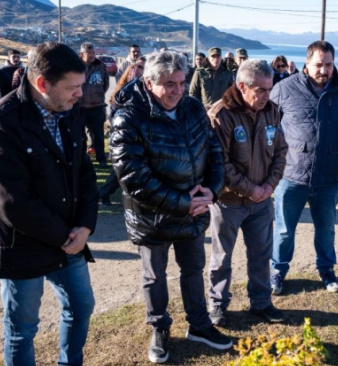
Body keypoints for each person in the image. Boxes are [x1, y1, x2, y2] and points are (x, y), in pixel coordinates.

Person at [0, 41, 98, 365]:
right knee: (22, 329)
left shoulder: (68, 111)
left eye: (81, 87)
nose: (79, 95)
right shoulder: (0, 123)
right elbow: (13, 202)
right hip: (23, 245)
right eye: (72, 88)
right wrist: (65, 238)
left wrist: (85, 225)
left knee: (81, 306)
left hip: (71, 236)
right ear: (42, 84)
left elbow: (84, 172)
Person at [110, 50, 232, 363]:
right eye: (169, 84)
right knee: (155, 276)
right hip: (153, 217)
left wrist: (212, 192)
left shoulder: (192, 106)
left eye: (181, 82)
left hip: (194, 210)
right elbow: (133, 177)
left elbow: (215, 151)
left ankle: (200, 325)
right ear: (149, 83)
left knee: (193, 269)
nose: (177, 90)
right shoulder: (129, 116)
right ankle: (160, 327)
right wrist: (183, 203)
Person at [269, 40, 338, 295]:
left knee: (326, 228)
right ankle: (277, 270)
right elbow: (270, 125)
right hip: (292, 175)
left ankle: (327, 269)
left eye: (328, 65)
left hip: (328, 176)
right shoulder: (284, 89)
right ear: (307, 64)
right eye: (318, 64)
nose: (324, 70)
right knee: (284, 229)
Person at [206, 59, 288, 327]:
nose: (267, 95)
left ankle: (261, 302)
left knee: (261, 254)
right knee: (221, 257)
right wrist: (250, 188)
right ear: (242, 86)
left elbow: (280, 151)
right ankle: (217, 305)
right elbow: (220, 163)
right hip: (228, 202)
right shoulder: (221, 115)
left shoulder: (272, 111)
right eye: (260, 90)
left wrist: (268, 186)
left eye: (269, 88)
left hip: (262, 201)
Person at [98, 59, 145, 206]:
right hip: (125, 135)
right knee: (122, 169)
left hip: (141, 134)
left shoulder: (147, 89)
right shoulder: (125, 90)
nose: (141, 70)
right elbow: (114, 113)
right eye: (139, 67)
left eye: (143, 67)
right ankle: (104, 194)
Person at [78, 42, 110, 167]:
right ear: (82, 54)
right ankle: (82, 159)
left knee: (99, 135)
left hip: (97, 106)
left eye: (93, 53)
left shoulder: (101, 66)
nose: (92, 56)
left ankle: (101, 158)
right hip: (80, 106)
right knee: (81, 136)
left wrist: (98, 95)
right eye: (88, 53)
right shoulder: (76, 66)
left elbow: (106, 84)